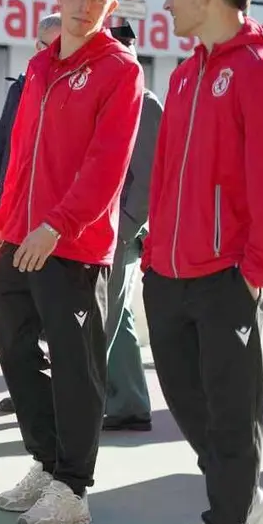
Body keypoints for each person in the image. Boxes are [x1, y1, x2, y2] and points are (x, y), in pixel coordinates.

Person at [0, 0, 143, 524]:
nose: (85, 6)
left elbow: (107, 165)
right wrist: (4, 222)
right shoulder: (41, 65)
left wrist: (59, 225)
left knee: (76, 367)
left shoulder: (120, 69)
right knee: (16, 354)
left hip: (71, 244)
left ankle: (73, 487)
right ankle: (48, 465)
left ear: (111, 4)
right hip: (20, 235)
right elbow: (21, 150)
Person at [143, 0, 263, 524]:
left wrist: (257, 267)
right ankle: (242, 496)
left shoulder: (258, 66)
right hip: (165, 272)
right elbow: (166, 171)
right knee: (185, 400)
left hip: (227, 275)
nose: (165, 3)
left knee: (230, 414)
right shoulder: (184, 70)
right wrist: (151, 249)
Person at [0, 14, 62, 415]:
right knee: (14, 316)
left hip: (57, 224)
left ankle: (59, 396)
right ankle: (29, 388)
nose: (53, 53)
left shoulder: (81, 87)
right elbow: (0, 144)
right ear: (35, 47)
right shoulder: (22, 87)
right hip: (13, 216)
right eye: (47, 46)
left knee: (54, 317)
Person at [100, 22, 163, 433]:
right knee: (117, 318)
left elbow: (148, 178)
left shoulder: (145, 103)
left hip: (119, 230)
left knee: (103, 318)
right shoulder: (111, 95)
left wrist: (123, 228)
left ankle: (82, 403)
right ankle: (132, 404)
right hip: (102, 227)